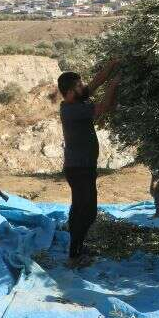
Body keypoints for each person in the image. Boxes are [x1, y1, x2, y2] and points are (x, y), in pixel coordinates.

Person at [58, 60, 121, 267]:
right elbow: (104, 107)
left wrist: (113, 65)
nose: (82, 87)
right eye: (77, 86)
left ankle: (77, 247)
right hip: (79, 169)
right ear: (68, 92)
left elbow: (93, 84)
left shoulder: (75, 101)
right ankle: (74, 255)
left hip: (83, 167)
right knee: (85, 211)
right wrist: (115, 83)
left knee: (82, 209)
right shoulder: (71, 110)